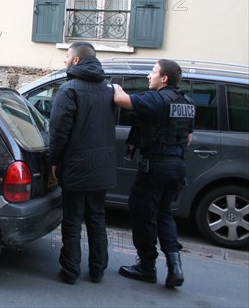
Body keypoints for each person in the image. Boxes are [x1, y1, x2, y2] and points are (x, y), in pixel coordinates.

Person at [113, 59, 194, 288]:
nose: (149, 76)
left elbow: (121, 100)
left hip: (155, 167)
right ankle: (174, 265)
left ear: (164, 78)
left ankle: (146, 267)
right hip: (177, 167)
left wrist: (115, 88)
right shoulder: (186, 103)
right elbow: (187, 138)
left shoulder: (157, 100)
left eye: (153, 72)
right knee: (164, 214)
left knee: (142, 214)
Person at [49, 41, 117, 285]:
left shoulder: (69, 89)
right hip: (103, 164)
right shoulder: (109, 89)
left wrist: (54, 162)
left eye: (66, 56)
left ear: (76, 60)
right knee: (97, 218)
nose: (64, 61)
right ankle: (98, 270)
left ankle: (70, 271)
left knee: (73, 220)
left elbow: (58, 131)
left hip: (77, 164)